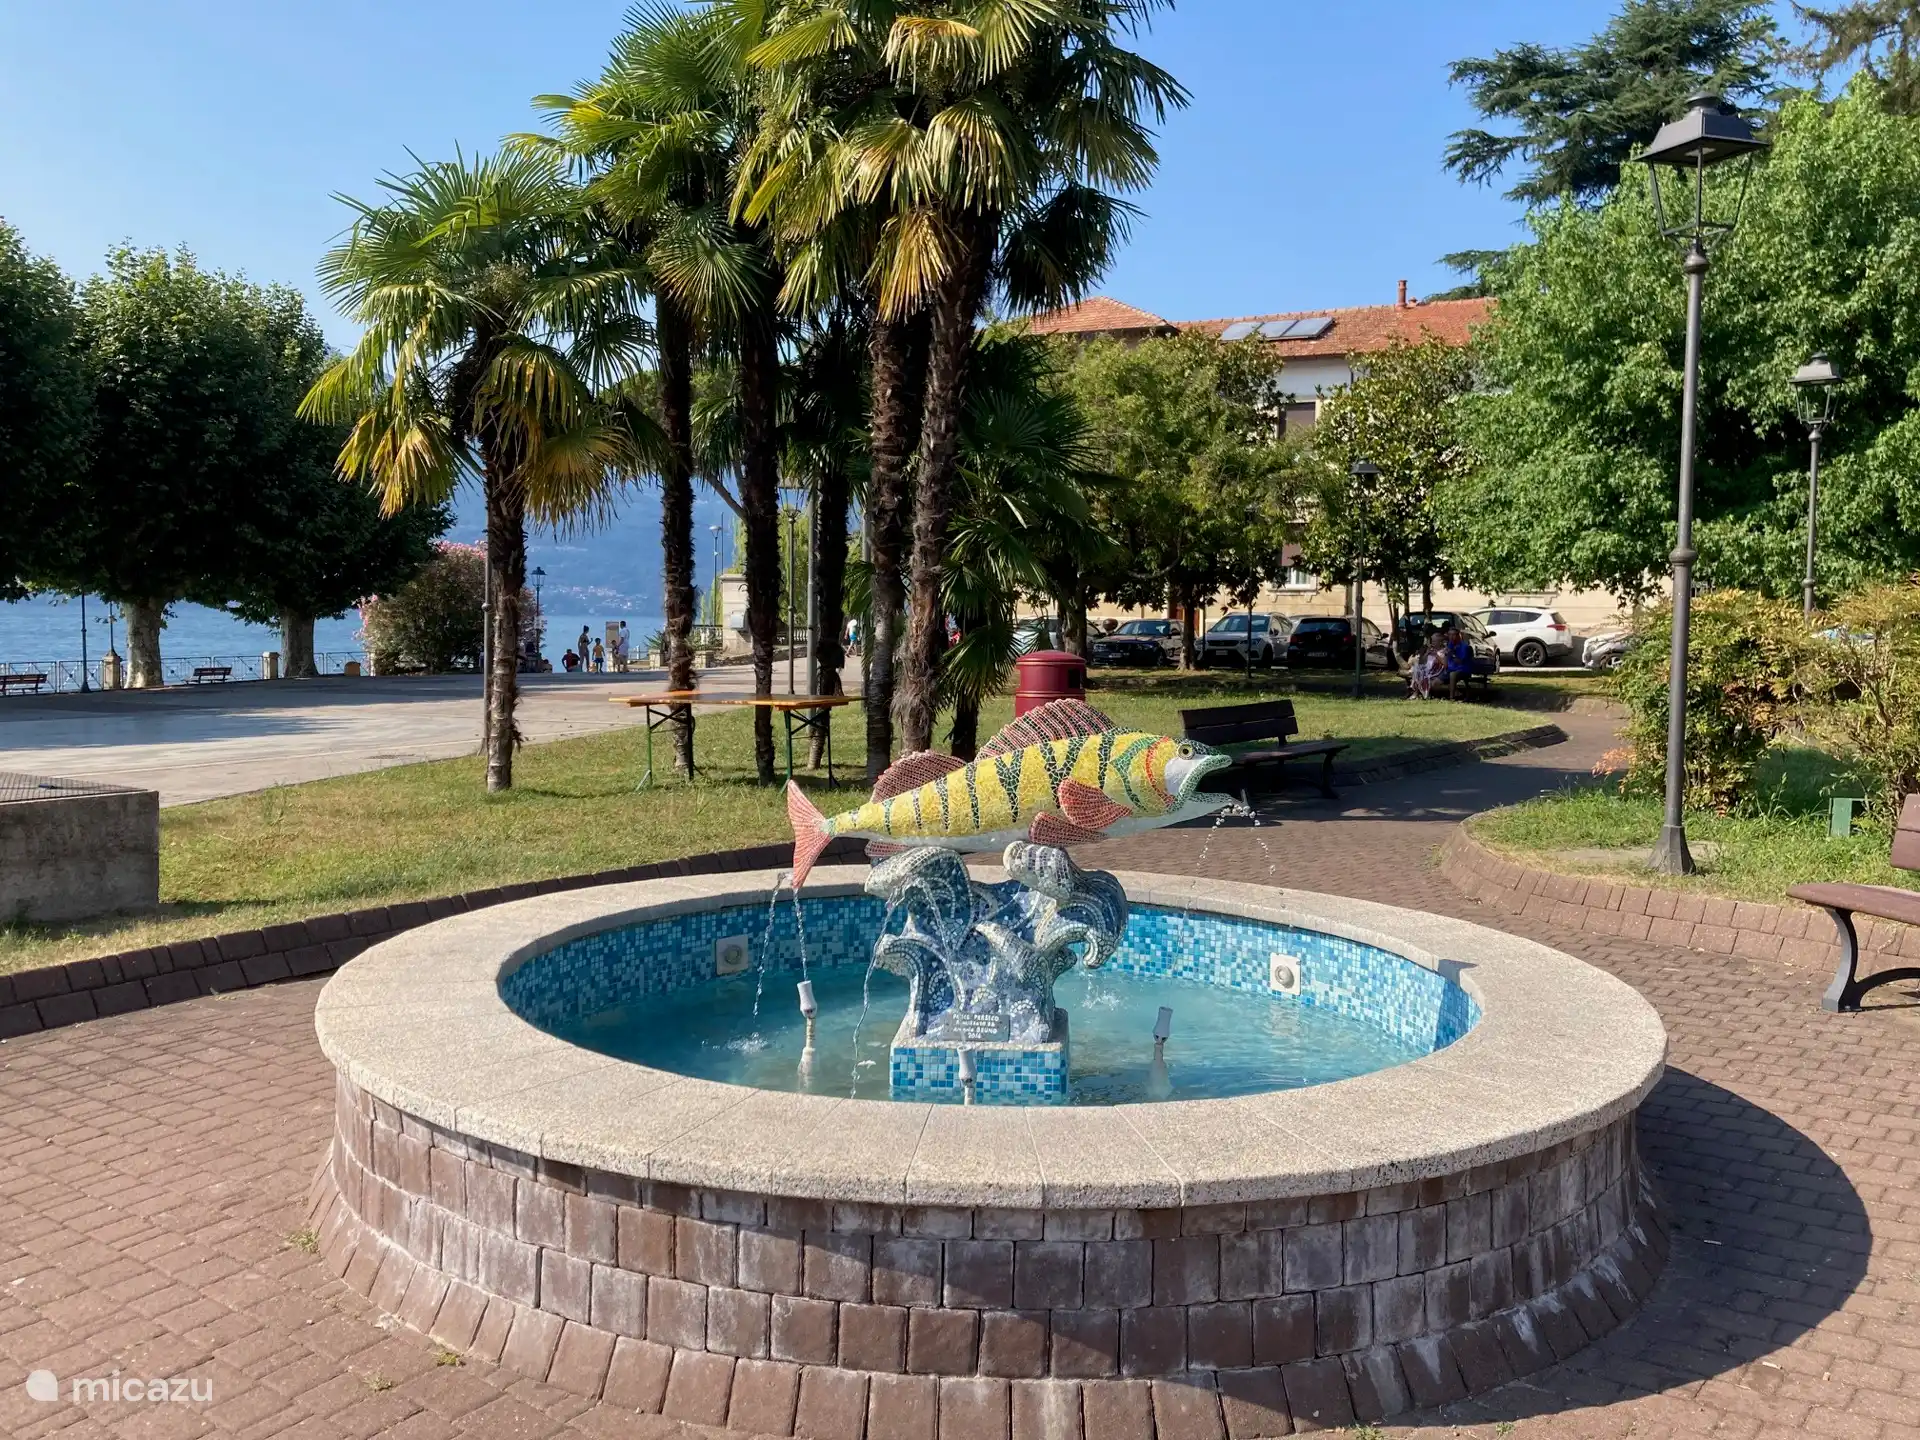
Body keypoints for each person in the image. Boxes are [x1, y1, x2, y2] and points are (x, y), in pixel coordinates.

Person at [1444, 626, 1474, 700]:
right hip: (1451, 668)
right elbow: (1447, 659)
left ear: (1458, 636)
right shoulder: (1450, 644)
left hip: (1463, 669)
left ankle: (1451, 698)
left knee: (1452, 675)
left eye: (1453, 635)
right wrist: (1446, 655)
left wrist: (1452, 653)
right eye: (1449, 635)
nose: (1451, 637)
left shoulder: (1464, 646)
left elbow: (1460, 661)